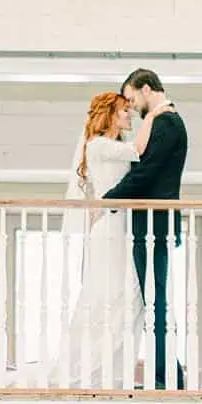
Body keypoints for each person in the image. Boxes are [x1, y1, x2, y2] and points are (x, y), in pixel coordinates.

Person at [102, 68, 189, 390]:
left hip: (154, 224)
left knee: (156, 301)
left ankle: (167, 378)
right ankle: (169, 375)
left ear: (147, 89)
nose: (131, 105)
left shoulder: (167, 122)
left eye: (132, 97)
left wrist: (107, 200)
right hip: (154, 224)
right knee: (155, 300)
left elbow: (147, 171)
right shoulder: (163, 120)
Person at [56, 89, 144, 386]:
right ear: (110, 115)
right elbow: (137, 151)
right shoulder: (97, 146)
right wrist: (157, 113)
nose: (129, 114)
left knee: (127, 293)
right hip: (109, 229)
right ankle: (87, 369)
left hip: (119, 227)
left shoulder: (107, 146)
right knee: (105, 294)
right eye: (124, 111)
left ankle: (112, 371)